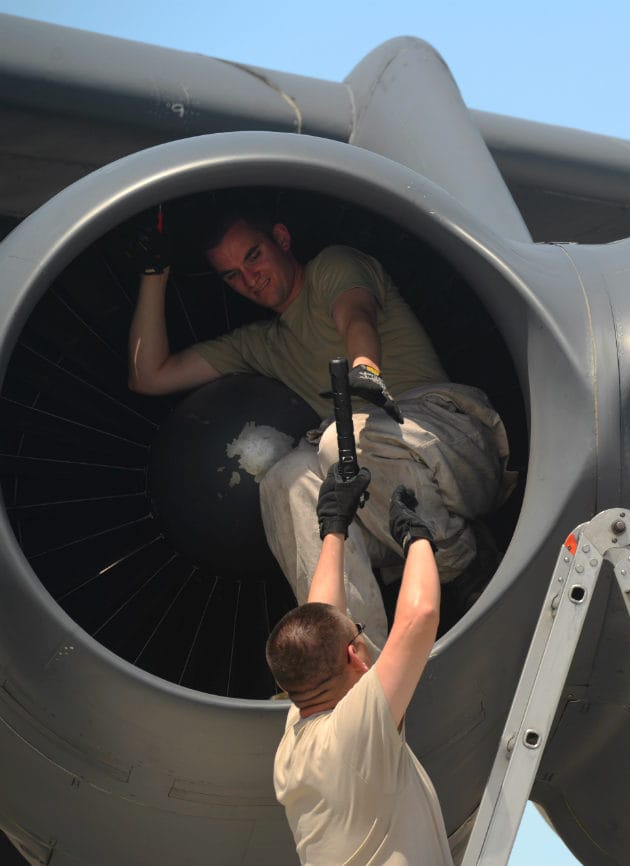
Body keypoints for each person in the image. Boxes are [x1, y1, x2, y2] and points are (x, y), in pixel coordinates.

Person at [126, 205, 515, 643]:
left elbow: (355, 315)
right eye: (233, 275)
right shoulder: (260, 345)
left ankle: (466, 565)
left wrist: (365, 368)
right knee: (286, 478)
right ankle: (350, 651)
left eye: (254, 256)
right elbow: (148, 376)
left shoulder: (332, 266)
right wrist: (153, 275)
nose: (251, 278)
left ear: (282, 238)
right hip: (385, 500)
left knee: (340, 441)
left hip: (449, 440)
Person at [266, 465, 454, 866]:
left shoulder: (297, 736)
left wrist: (333, 528)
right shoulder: (355, 734)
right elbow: (419, 616)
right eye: (360, 632)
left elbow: (321, 619)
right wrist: (416, 537)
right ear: (354, 655)